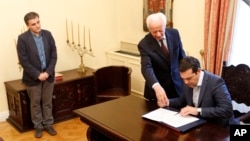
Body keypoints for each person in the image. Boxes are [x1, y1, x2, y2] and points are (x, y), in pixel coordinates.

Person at [165, 56, 238, 128]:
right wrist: (167, 102)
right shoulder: (187, 81)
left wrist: (198, 111)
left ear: (198, 71)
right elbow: (182, 100)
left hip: (219, 127)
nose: (186, 82)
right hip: (199, 124)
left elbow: (226, 110)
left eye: (189, 78)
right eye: (183, 79)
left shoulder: (216, 82)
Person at [17, 12, 57, 138]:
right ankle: (38, 126)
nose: (37, 26)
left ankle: (48, 124)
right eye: (33, 24)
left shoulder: (48, 34)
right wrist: (38, 75)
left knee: (47, 102)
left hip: (48, 76)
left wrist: (48, 72)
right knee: (35, 104)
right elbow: (24, 61)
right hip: (32, 78)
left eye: (38, 22)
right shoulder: (23, 39)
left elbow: (54, 55)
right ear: (28, 26)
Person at [138, 12, 186, 107]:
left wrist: (190, 73)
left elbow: (182, 57)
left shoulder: (174, 34)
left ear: (165, 26)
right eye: (154, 32)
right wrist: (156, 86)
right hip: (158, 91)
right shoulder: (144, 44)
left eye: (160, 30)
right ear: (149, 29)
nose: (158, 35)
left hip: (177, 87)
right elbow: (146, 67)